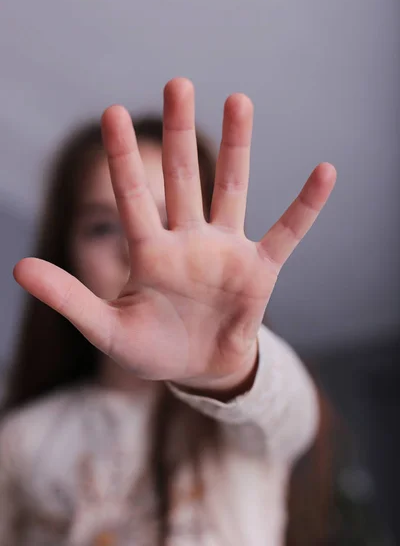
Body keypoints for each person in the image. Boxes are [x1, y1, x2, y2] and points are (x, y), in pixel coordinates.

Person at [0, 77, 337, 545]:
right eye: (101, 227)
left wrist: (225, 369)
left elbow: (294, 416)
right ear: (65, 251)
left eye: (171, 223)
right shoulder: (21, 440)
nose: (141, 254)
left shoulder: (249, 416)